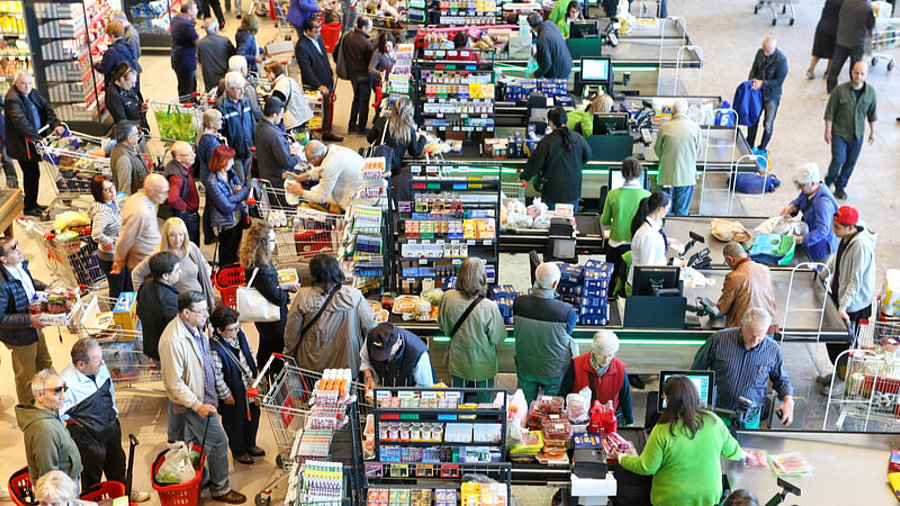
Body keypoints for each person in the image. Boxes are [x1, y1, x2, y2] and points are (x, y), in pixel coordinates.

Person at [159, 291, 247, 504]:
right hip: (192, 403)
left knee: (193, 441)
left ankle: (202, 477)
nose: (207, 314)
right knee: (218, 442)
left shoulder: (196, 326)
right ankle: (220, 488)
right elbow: (174, 383)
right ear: (186, 312)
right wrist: (197, 405)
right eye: (202, 311)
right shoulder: (173, 340)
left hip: (204, 397)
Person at [615, 375, 743, 506]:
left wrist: (621, 457)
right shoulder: (714, 421)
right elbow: (735, 452)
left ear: (669, 400)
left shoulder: (663, 429)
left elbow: (647, 467)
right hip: (709, 499)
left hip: (671, 500)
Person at [58, 339, 150, 502]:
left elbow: (110, 390)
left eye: (101, 358)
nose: (102, 363)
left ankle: (123, 494)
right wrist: (71, 421)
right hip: (88, 440)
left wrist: (114, 412)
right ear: (81, 364)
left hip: (111, 427)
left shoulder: (100, 366)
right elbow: (55, 413)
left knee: (118, 465)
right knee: (92, 476)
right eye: (96, 360)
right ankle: (94, 502)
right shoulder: (65, 384)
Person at [692, 308, 795, 428]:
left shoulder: (772, 350)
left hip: (751, 418)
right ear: (742, 325)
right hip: (720, 415)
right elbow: (696, 372)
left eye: (760, 337)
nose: (755, 341)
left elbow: (781, 380)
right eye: (752, 335)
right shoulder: (719, 340)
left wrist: (788, 400)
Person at [284, 253, 376, 373]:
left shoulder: (303, 298)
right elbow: (370, 326)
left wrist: (288, 355)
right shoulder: (354, 296)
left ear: (313, 274)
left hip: (312, 363)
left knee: (315, 390)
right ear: (337, 270)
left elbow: (292, 332)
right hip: (348, 362)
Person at [820, 205, 876, 394]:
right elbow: (837, 259)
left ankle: (843, 380)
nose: (832, 230)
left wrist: (843, 307)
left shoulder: (861, 246)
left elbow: (855, 282)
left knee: (844, 345)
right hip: (840, 297)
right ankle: (838, 372)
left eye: (837, 227)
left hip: (853, 305)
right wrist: (821, 275)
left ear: (850, 227)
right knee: (831, 340)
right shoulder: (846, 237)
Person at [438, 258, 507, 402]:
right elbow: (497, 338)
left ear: (460, 275)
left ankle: (456, 420)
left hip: (458, 360)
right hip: (483, 364)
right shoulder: (489, 306)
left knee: (456, 399)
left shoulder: (447, 297)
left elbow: (444, 329)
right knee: (485, 402)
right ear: (483, 278)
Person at [513, 262, 578, 403]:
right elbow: (568, 331)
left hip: (526, 366)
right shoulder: (566, 311)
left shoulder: (518, 303)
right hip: (554, 370)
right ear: (555, 284)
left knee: (525, 404)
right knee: (553, 410)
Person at [239, 223, 299, 370]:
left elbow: (270, 289)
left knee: (266, 346)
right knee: (276, 348)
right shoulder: (261, 269)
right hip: (272, 319)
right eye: (272, 240)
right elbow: (277, 298)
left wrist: (283, 287)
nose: (276, 243)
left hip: (265, 317)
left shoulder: (259, 260)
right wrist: (287, 291)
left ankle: (262, 374)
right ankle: (272, 376)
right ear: (263, 244)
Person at [4, 70, 65, 216]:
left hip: (32, 142)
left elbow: (46, 107)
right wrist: (37, 137)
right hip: (22, 145)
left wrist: (55, 124)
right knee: (31, 173)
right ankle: (30, 207)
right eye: (23, 83)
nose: (27, 86)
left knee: (33, 174)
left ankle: (32, 204)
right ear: (16, 83)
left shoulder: (33, 92)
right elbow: (20, 122)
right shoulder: (12, 99)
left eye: (30, 83)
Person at [209, 306, 264, 465]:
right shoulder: (215, 348)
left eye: (237, 327)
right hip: (233, 390)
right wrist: (225, 394)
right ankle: (239, 451)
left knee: (254, 414)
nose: (236, 331)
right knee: (235, 421)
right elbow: (217, 376)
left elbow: (249, 353)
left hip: (248, 386)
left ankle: (250, 444)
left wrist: (256, 375)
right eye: (231, 329)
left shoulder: (240, 334)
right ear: (219, 330)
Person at [0, 236, 51, 404]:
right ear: (3, 259)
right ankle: (31, 420)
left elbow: (27, 284)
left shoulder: (19, 266)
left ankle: (53, 404)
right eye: (14, 248)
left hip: (35, 328)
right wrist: (29, 320)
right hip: (21, 337)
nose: (20, 250)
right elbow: (1, 318)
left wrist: (44, 287)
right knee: (27, 380)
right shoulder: (2, 284)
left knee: (46, 365)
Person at [131, 217, 216, 312]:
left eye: (181, 235)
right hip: (179, 308)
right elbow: (136, 273)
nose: (178, 239)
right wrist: (142, 299)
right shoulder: (159, 256)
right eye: (173, 235)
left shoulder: (191, 248)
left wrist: (211, 296)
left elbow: (204, 270)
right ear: (166, 236)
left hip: (200, 301)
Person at [16, 370, 83, 485]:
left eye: (64, 389)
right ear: (40, 395)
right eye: (57, 392)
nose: (63, 396)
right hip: (61, 490)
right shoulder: (44, 430)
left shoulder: (49, 411)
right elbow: (49, 477)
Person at [519, 107, 591, 210]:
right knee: (569, 223)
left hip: (552, 192)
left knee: (551, 223)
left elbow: (534, 165)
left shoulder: (546, 142)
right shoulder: (578, 138)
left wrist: (524, 176)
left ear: (551, 123)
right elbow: (587, 156)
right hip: (573, 191)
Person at [823, 61, 877, 199]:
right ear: (851, 72)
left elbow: (872, 114)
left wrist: (872, 131)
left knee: (850, 163)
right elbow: (830, 112)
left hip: (857, 134)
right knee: (838, 160)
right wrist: (827, 130)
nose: (858, 76)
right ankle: (828, 183)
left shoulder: (870, 93)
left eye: (862, 74)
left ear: (866, 75)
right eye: (856, 73)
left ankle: (840, 186)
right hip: (839, 132)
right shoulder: (840, 90)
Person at [560, 331, 633, 425]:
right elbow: (563, 392)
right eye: (601, 355)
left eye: (610, 355)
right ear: (593, 350)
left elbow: (625, 397)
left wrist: (629, 421)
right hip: (580, 420)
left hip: (608, 420)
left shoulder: (620, 369)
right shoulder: (576, 365)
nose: (606, 360)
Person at [601, 157, 650, 296]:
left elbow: (604, 221)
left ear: (622, 173)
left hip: (615, 246)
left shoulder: (613, 194)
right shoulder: (647, 195)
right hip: (637, 247)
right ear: (640, 174)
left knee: (611, 280)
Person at [779, 163, 839, 263]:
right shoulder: (810, 189)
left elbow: (822, 230)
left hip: (820, 248)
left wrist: (802, 239)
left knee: (813, 274)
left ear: (812, 183)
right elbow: (801, 200)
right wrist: (793, 206)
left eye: (801, 185)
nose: (799, 188)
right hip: (810, 236)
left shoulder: (823, 203)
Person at [111, 173, 166, 277]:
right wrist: (119, 260)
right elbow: (125, 238)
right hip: (145, 264)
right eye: (163, 193)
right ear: (151, 191)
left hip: (151, 259)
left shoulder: (138, 198)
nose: (166, 196)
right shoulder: (140, 212)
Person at [653, 98, 702, 216]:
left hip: (666, 176)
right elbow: (698, 153)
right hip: (686, 177)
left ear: (672, 112)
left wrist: (666, 159)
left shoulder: (664, 128)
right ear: (687, 111)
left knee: (663, 212)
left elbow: (657, 150)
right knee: (681, 213)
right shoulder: (695, 128)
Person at [295, 18, 341, 142]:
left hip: (326, 78)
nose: (319, 33)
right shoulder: (301, 46)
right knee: (316, 112)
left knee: (327, 108)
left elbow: (325, 57)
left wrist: (331, 73)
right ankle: (317, 135)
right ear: (308, 31)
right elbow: (306, 70)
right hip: (315, 84)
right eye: (316, 31)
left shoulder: (317, 38)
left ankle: (326, 131)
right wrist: (318, 85)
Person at [284, 140, 364, 210]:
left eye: (309, 160)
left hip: (360, 197)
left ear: (318, 157)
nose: (308, 163)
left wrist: (300, 192)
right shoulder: (331, 149)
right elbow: (320, 169)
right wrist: (299, 177)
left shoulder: (330, 167)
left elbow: (321, 197)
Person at [360, 323, 435, 398]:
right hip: (383, 394)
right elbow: (365, 360)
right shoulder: (371, 338)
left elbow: (425, 388)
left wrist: (399, 403)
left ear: (399, 342)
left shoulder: (417, 354)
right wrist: (369, 378)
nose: (383, 358)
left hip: (409, 400)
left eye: (387, 353)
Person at [205, 145, 249, 267]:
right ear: (221, 161)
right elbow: (226, 207)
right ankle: (225, 279)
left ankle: (234, 275)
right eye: (230, 160)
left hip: (238, 217)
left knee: (236, 249)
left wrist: (233, 197)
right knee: (227, 253)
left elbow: (244, 189)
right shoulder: (212, 181)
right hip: (226, 223)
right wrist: (237, 194)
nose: (233, 162)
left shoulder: (230, 172)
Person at [716, 241, 777, 329]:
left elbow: (723, 308)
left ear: (729, 259)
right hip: (768, 327)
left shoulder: (734, 277)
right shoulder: (765, 269)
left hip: (746, 331)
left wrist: (714, 307)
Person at [89, 175, 131, 300]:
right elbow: (96, 234)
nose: (113, 191)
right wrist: (109, 241)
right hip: (111, 257)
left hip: (121, 253)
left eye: (112, 187)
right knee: (118, 290)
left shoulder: (112, 203)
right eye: (107, 190)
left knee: (128, 284)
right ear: (99, 193)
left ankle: (131, 314)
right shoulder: (103, 213)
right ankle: (118, 316)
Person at [627, 191, 684, 285]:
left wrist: (668, 241)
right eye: (667, 209)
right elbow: (647, 269)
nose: (667, 211)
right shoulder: (649, 235)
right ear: (660, 209)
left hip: (645, 280)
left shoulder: (650, 226)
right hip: (642, 287)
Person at [135, 251, 182, 362]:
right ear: (165, 276)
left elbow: (139, 312)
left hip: (152, 348)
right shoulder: (170, 301)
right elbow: (176, 332)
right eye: (176, 270)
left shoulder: (145, 286)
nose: (180, 272)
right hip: (168, 353)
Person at [254, 97, 302, 196]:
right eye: (280, 116)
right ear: (274, 115)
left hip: (266, 173)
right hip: (278, 180)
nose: (281, 118)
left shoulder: (259, 126)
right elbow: (286, 162)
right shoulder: (274, 136)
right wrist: (298, 155)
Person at [746, 37, 788, 151]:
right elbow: (754, 69)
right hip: (758, 94)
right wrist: (751, 81)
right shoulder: (760, 53)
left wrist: (763, 83)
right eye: (764, 49)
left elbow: (779, 82)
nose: (765, 53)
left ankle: (762, 148)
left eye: (767, 51)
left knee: (768, 124)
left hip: (772, 96)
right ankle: (749, 144)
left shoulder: (781, 60)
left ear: (774, 49)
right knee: (753, 119)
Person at [826, 0, 875, 93]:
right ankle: (853, 88)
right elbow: (870, 25)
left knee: (836, 65)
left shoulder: (845, 3)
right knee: (855, 67)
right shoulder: (867, 7)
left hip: (842, 39)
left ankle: (830, 88)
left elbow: (839, 16)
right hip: (858, 41)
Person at [216, 71, 256, 184]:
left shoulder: (246, 101)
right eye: (239, 89)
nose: (243, 91)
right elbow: (220, 133)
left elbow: (252, 123)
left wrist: (255, 144)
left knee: (247, 177)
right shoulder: (221, 106)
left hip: (248, 150)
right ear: (229, 89)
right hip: (234, 154)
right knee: (239, 180)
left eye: (243, 87)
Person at [366, 98, 425, 173]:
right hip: (394, 167)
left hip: (377, 164)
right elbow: (415, 152)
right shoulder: (409, 130)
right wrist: (422, 137)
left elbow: (369, 138)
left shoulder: (382, 121)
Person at [161, 141, 201, 246]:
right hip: (187, 217)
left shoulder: (177, 166)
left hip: (187, 215)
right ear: (178, 158)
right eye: (189, 154)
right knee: (191, 245)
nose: (194, 155)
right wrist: (185, 207)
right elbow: (173, 199)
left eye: (192, 151)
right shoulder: (177, 177)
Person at [197, 108, 228, 244]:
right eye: (218, 120)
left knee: (211, 204)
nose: (222, 122)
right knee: (211, 206)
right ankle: (209, 235)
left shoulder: (208, 137)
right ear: (211, 124)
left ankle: (209, 233)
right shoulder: (210, 142)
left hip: (207, 175)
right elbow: (215, 162)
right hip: (211, 177)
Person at [339, 17, 375, 134]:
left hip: (352, 74)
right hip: (364, 74)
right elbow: (371, 63)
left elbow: (336, 53)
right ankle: (361, 127)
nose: (371, 30)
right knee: (364, 101)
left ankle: (352, 124)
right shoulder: (366, 43)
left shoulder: (347, 37)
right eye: (370, 28)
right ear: (363, 27)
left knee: (356, 99)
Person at [265, 61, 314, 132]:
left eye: (267, 73)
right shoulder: (288, 80)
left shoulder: (281, 85)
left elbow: (275, 104)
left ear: (272, 73)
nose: (266, 76)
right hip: (301, 116)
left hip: (293, 121)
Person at [526, 12, 573, 79]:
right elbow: (550, 44)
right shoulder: (549, 24)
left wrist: (535, 75)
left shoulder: (542, 39)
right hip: (566, 64)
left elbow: (546, 64)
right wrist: (539, 52)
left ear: (535, 27)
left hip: (558, 72)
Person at [216, 56, 262, 122]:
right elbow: (255, 110)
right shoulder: (247, 86)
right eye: (246, 67)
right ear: (242, 69)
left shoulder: (223, 82)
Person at [94, 23, 139, 91]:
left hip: (116, 84)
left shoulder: (111, 52)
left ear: (112, 36)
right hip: (128, 80)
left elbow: (104, 69)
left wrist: (96, 64)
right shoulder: (127, 46)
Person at [109, 120, 148, 196]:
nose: (138, 136)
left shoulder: (121, 148)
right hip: (136, 202)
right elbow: (125, 190)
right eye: (136, 134)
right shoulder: (124, 159)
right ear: (129, 139)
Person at [806, 0, 843, 79]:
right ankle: (828, 72)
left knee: (818, 52)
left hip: (822, 27)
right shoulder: (844, 3)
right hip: (835, 30)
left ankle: (811, 69)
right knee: (833, 53)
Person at [170, 1, 200, 99]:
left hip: (178, 59)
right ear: (189, 11)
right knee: (187, 90)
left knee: (189, 85)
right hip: (185, 62)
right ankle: (187, 109)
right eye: (195, 9)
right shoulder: (185, 24)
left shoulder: (176, 19)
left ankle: (193, 103)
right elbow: (198, 42)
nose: (197, 11)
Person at [198, 19, 235, 93]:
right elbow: (233, 57)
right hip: (224, 77)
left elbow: (199, 60)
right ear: (215, 28)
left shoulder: (200, 44)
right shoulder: (225, 41)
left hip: (209, 78)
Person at [105, 64, 148, 129]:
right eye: (132, 82)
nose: (133, 85)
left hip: (140, 127)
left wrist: (141, 106)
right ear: (122, 80)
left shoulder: (126, 86)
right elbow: (122, 121)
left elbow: (134, 102)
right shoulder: (113, 95)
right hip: (131, 132)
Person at [368, 32, 396, 117]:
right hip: (381, 82)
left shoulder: (398, 49)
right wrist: (379, 73)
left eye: (389, 46)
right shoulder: (378, 53)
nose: (387, 49)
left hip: (395, 80)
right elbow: (370, 68)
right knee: (381, 102)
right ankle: (378, 118)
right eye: (385, 47)